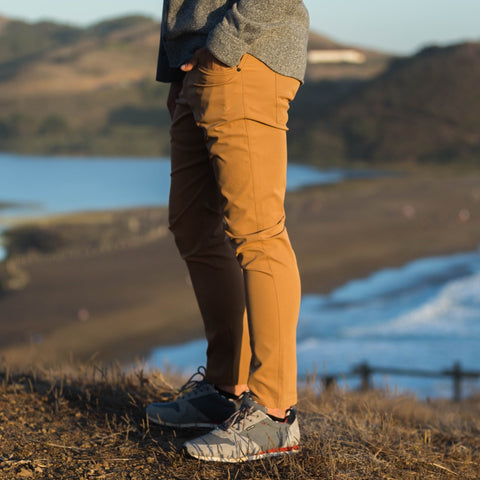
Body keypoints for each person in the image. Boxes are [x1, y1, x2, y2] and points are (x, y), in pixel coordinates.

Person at [147, 0, 309, 463]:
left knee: (258, 233)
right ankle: (225, 388)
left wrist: (224, 45)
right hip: (197, 63)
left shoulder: (234, 47)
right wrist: (173, 70)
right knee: (192, 225)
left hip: (246, 54)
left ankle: (276, 415)